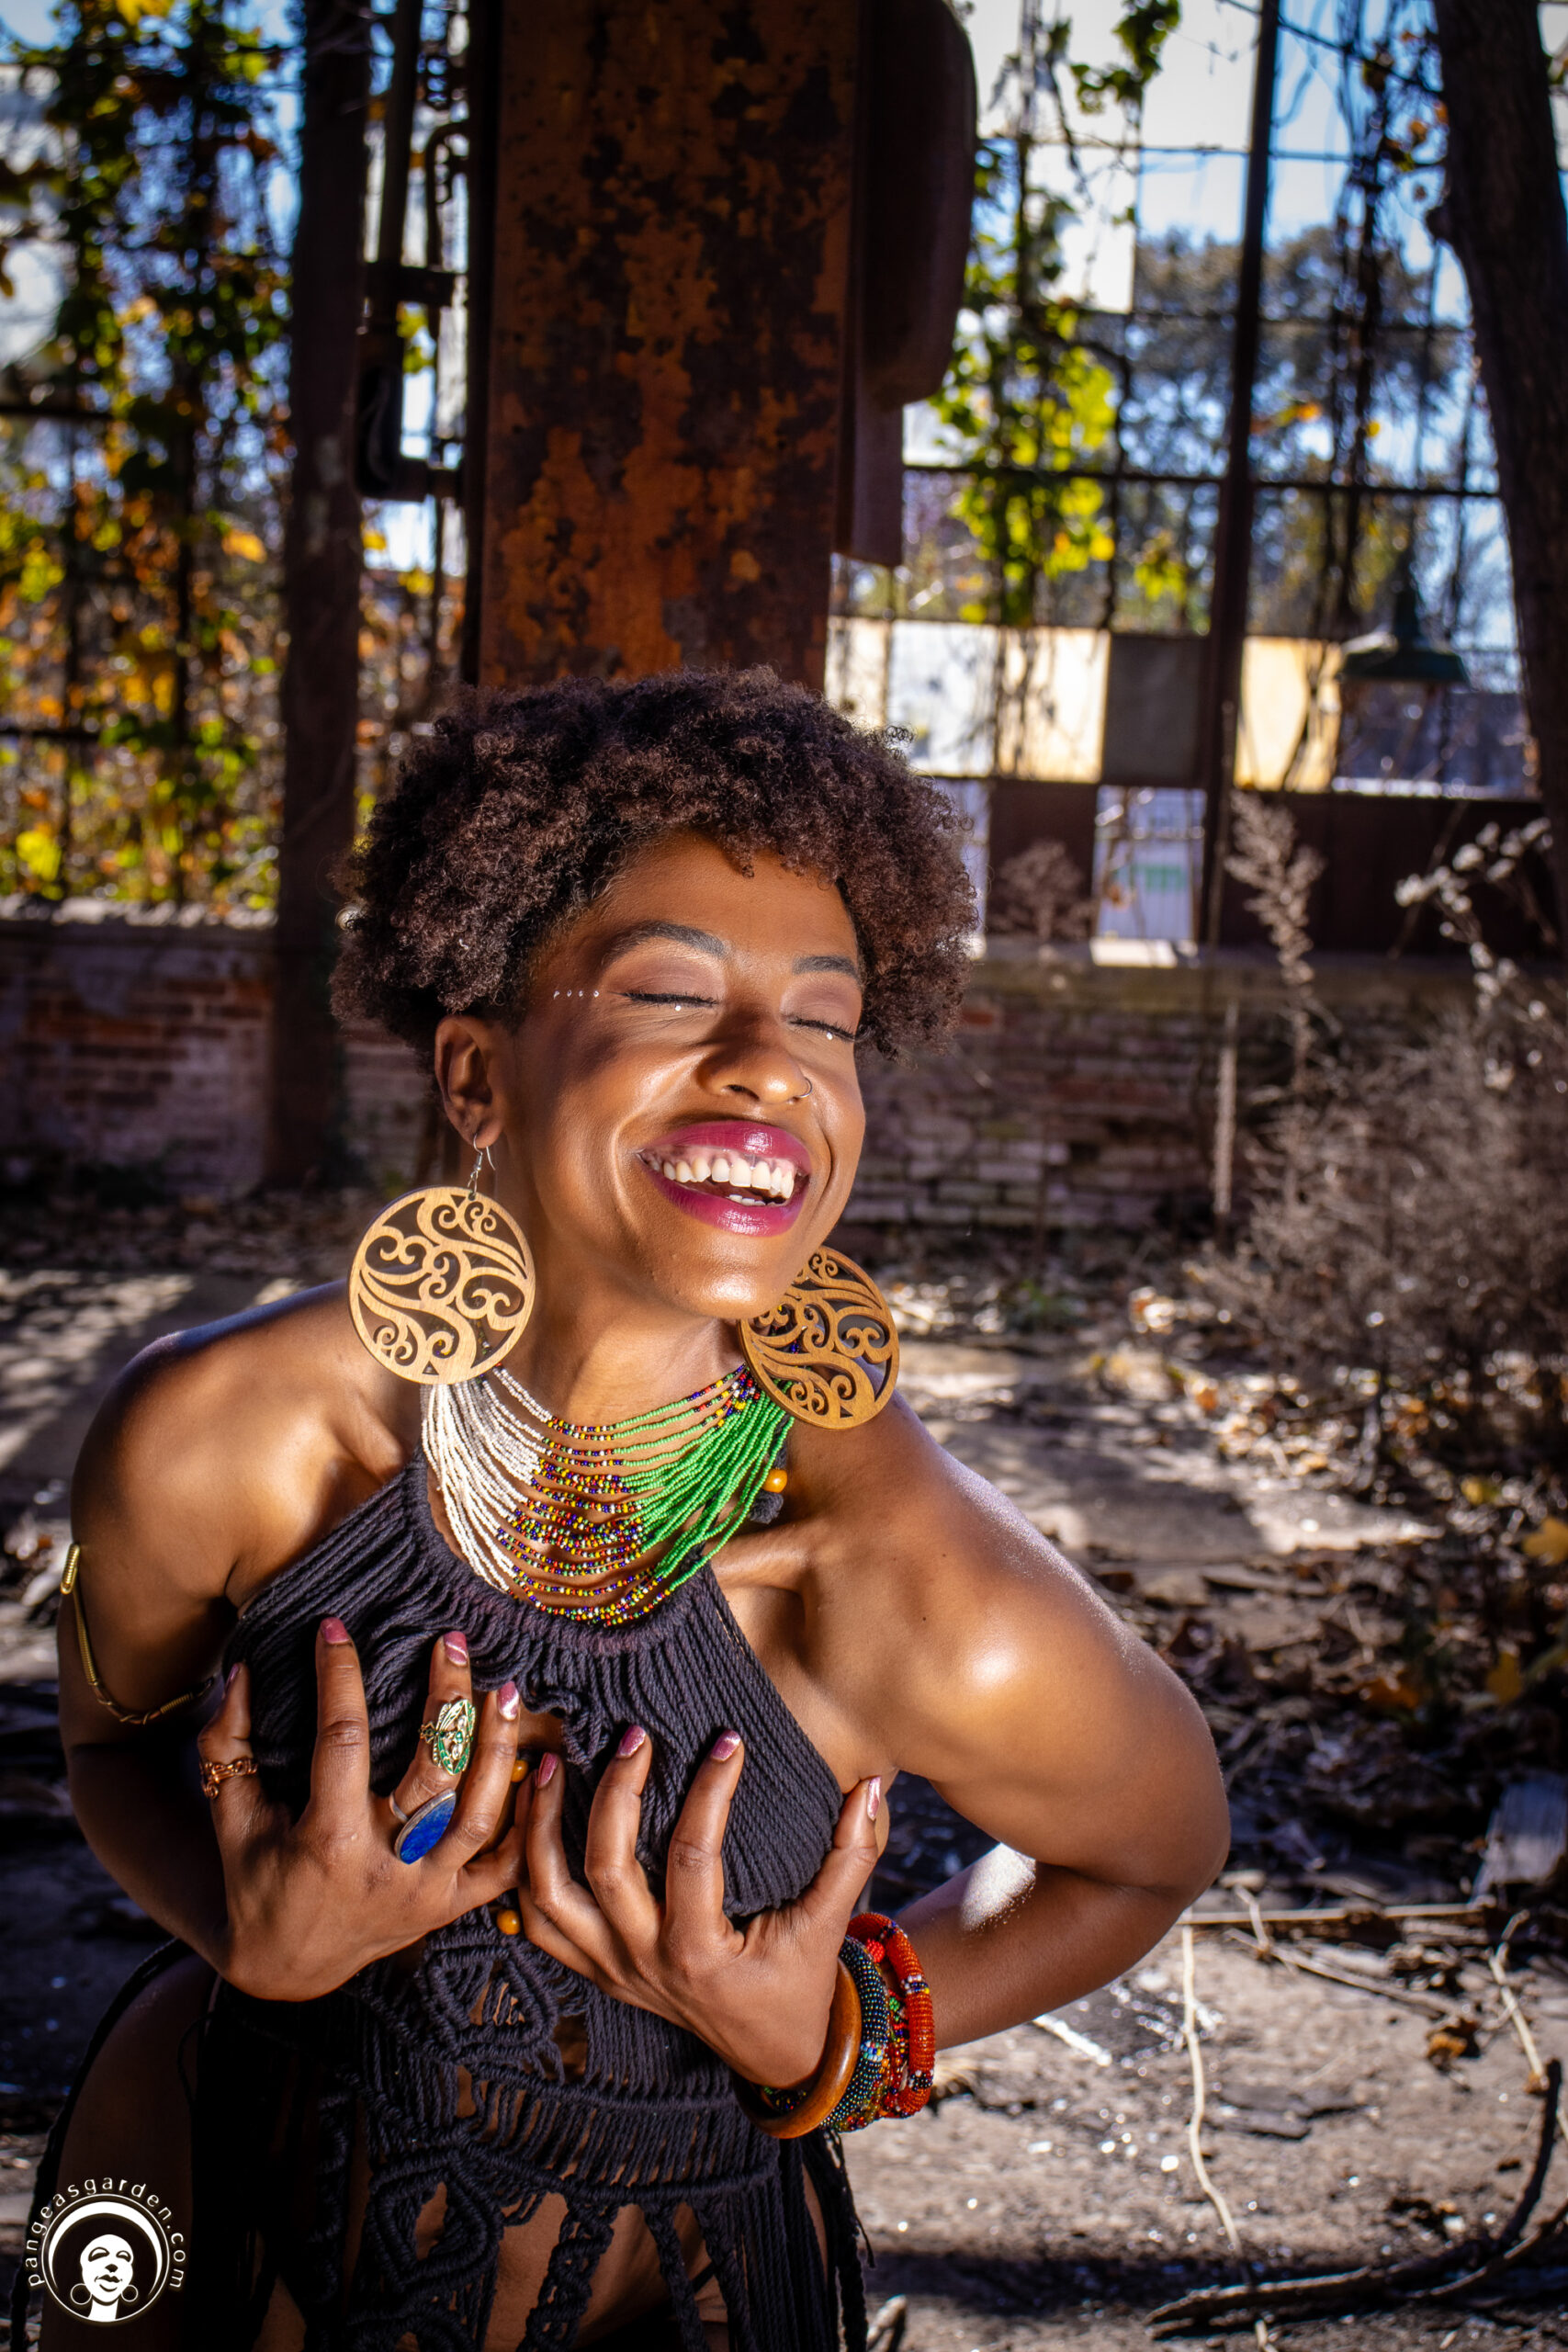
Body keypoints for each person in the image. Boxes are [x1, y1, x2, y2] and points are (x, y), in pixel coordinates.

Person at [40, 670, 1228, 2351]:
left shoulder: (881, 1575)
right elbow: (110, 1754)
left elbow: (1157, 1849)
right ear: (477, 1074)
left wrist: (842, 2028)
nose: (768, 1071)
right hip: (182, 2227)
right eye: (672, 993)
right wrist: (246, 1930)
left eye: (825, 1022)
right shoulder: (227, 1442)